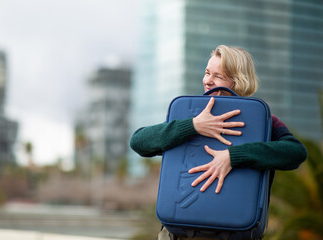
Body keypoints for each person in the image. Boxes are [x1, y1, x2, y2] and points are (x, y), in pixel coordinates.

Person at [130, 45, 307, 240]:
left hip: (236, 232)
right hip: (181, 232)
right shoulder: (192, 116)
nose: (208, 81)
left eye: (218, 76)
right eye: (207, 73)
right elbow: (139, 142)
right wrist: (193, 126)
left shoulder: (261, 120)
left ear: (237, 81)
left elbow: (295, 152)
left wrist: (234, 156)